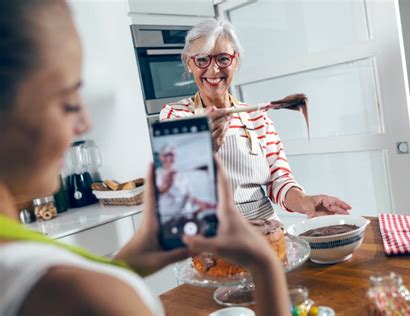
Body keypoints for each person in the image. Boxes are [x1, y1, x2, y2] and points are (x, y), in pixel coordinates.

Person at [0, 1, 289, 315]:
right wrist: (263, 265)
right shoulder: (77, 291)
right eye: (68, 100)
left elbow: (279, 176)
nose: (84, 123)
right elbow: (85, 294)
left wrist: (134, 258)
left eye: (222, 58)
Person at [160, 18, 352, 220]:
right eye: (202, 59)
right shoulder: (175, 116)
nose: (214, 69)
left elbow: (279, 180)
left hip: (267, 230)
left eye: (223, 59)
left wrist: (305, 202)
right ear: (189, 63)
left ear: (235, 61)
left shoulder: (257, 117)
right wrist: (203, 147)